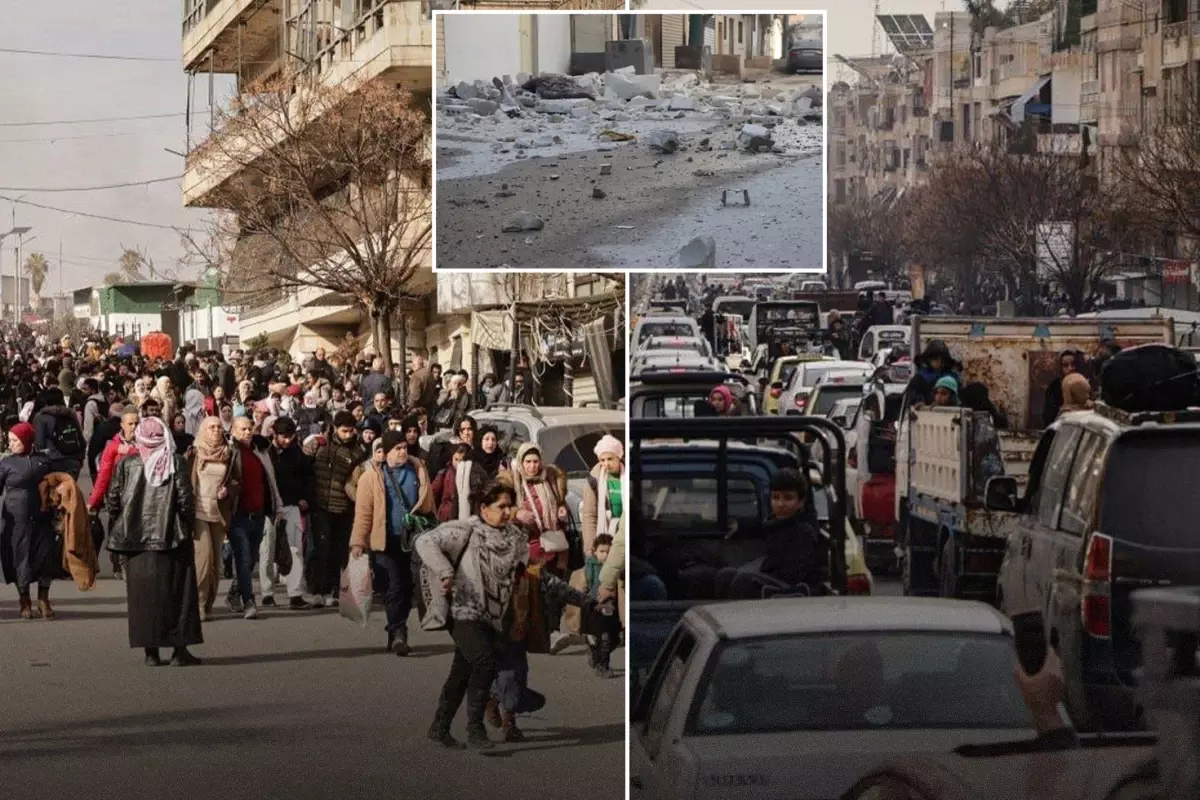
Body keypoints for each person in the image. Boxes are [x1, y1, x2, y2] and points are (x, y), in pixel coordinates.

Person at [415, 483, 529, 750]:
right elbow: (424, 540)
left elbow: (525, 572)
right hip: (461, 609)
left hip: (492, 615)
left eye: (510, 506)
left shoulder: (512, 537)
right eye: (501, 506)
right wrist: (445, 571)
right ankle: (475, 729)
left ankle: (439, 727)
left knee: (462, 672)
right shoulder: (465, 529)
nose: (507, 511)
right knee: (484, 662)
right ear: (483, 508)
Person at [105, 416, 202, 667]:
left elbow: (113, 500)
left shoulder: (127, 464)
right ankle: (179, 650)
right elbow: (184, 499)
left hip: (136, 541)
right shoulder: (175, 462)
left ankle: (151, 652)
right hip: (171, 539)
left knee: (143, 598)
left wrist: (123, 525)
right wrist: (188, 526)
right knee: (179, 595)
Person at [488, 529, 595, 742]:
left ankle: (506, 716)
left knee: (516, 674)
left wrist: (589, 602)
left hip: (518, 635)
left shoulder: (533, 573)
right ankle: (496, 703)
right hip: (492, 634)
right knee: (506, 676)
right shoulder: (486, 572)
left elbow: (560, 589)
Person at [350, 431, 433, 655]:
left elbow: (428, 507)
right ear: (386, 453)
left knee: (407, 588)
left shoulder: (418, 470)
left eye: (405, 447)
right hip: (385, 541)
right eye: (397, 448)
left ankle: (396, 627)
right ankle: (398, 631)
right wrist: (358, 542)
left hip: (412, 540)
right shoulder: (371, 477)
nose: (403, 452)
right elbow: (363, 512)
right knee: (394, 585)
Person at [714, 469, 827, 599]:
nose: (780, 504)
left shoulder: (804, 531)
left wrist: (759, 574)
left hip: (791, 591)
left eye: (788, 498)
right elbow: (761, 528)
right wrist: (740, 527)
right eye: (775, 497)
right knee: (724, 576)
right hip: (774, 580)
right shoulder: (777, 523)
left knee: (743, 581)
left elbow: (792, 576)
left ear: (800, 502)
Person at [226, 416, 284, 619]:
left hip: (259, 514)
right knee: (243, 558)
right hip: (238, 515)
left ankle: (234, 593)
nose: (247, 432)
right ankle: (249, 601)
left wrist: (278, 506)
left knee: (250, 559)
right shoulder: (230, 452)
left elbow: (271, 480)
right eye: (242, 429)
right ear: (233, 431)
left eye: (249, 428)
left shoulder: (261, 451)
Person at [309, 411, 366, 607]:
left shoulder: (358, 452)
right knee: (320, 548)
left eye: (351, 431)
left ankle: (334, 589)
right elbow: (306, 464)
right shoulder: (320, 444)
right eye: (344, 431)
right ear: (335, 428)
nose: (348, 434)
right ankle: (317, 590)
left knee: (338, 551)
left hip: (343, 506)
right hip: (320, 504)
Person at [0, 422, 55, 619]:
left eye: (15, 440)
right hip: (16, 520)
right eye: (10, 440)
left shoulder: (44, 461)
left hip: (42, 516)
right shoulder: (7, 463)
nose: (11, 444)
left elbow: (57, 481)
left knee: (44, 555)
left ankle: (43, 599)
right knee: (18, 557)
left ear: (26, 440)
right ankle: (24, 600)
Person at [191, 416, 236, 621]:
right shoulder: (194, 453)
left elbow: (237, 481)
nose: (216, 430)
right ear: (203, 430)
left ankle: (208, 603)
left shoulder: (229, 454)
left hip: (219, 513)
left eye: (219, 427)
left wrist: (229, 489)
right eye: (211, 427)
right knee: (203, 559)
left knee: (216, 564)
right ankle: (198, 603)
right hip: (198, 512)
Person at [268, 416, 313, 610]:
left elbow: (308, 477)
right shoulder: (267, 453)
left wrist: (304, 497)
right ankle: (267, 593)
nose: (287, 440)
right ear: (274, 434)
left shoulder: (297, 453)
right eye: (283, 436)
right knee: (267, 551)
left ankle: (295, 594)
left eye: (290, 436)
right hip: (269, 509)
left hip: (292, 506)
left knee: (295, 550)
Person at [582, 532, 619, 678]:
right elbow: (584, 586)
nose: (605, 555)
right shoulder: (589, 567)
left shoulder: (615, 568)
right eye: (602, 551)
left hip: (611, 606)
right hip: (594, 607)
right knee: (603, 636)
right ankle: (602, 665)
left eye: (608, 552)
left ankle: (595, 654)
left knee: (614, 639)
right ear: (595, 551)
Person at [581, 434, 623, 558]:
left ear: (619, 457)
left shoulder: (626, 476)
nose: (606, 464)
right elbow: (589, 515)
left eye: (610, 459)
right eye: (602, 460)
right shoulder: (595, 479)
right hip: (606, 536)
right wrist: (590, 549)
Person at [1043, 350, 1082, 425]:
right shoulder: (1054, 387)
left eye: (1073, 364)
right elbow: (1047, 417)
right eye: (1065, 365)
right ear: (1060, 368)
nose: (1070, 368)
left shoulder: (1083, 384)